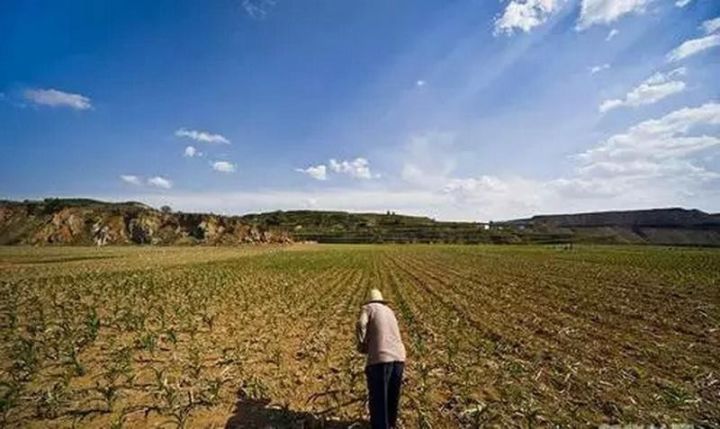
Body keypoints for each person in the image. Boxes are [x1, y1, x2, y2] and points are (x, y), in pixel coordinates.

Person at [356, 289, 407, 429]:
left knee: (378, 398)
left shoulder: (368, 308)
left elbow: (361, 324)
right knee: (392, 396)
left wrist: (362, 343)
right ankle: (391, 425)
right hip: (399, 358)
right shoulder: (389, 311)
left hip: (380, 358)